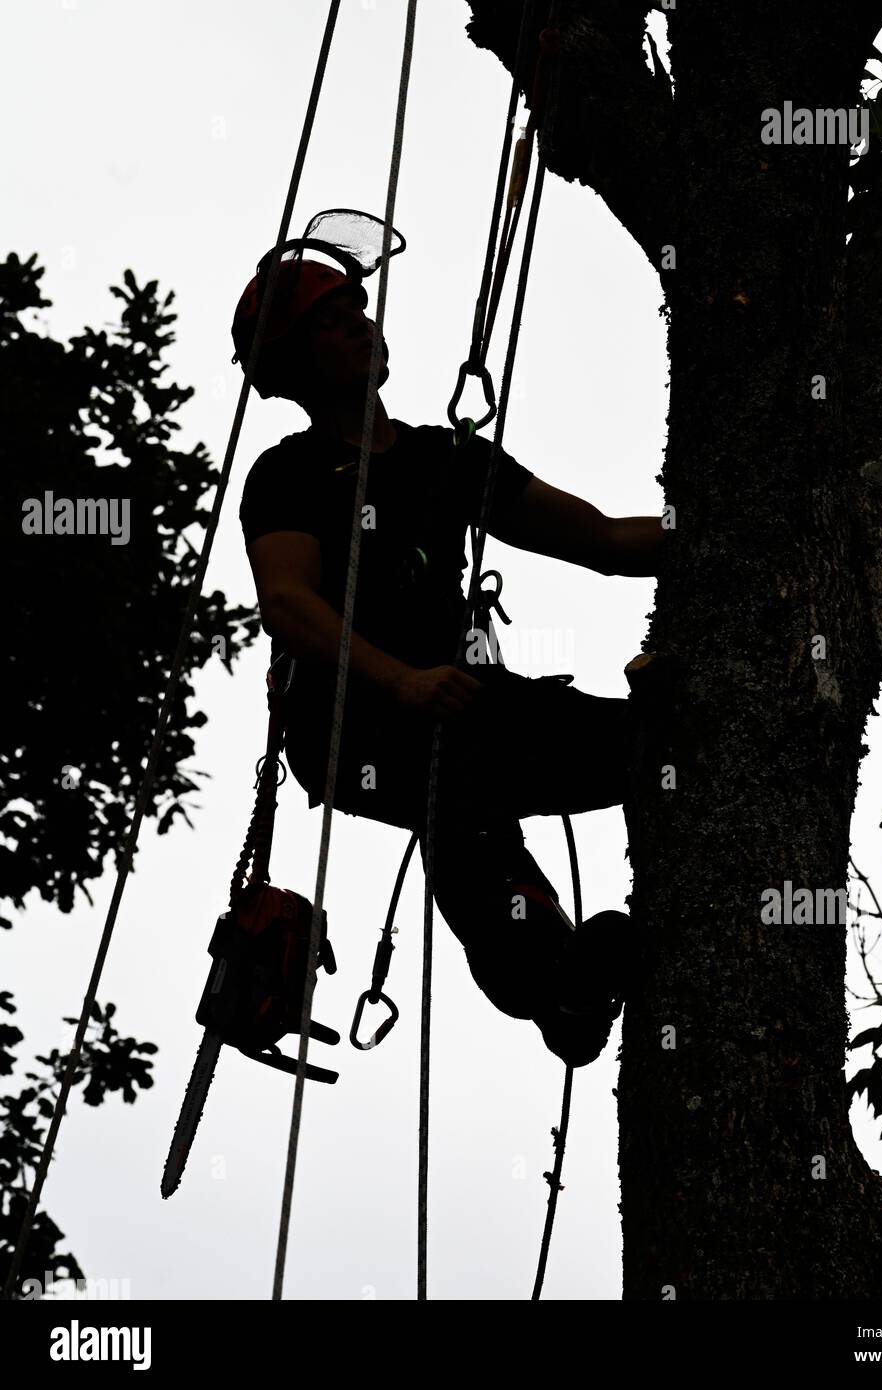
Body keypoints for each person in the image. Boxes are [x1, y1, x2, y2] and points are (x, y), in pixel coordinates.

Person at [234, 252, 662, 1066]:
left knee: (644, 742)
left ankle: (568, 987)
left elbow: (601, 540)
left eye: (358, 310)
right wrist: (402, 681)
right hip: (356, 725)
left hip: (462, 700)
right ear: (295, 358)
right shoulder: (288, 474)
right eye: (333, 320)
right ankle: (550, 979)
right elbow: (288, 603)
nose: (361, 324)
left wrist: (710, 537)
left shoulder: (444, 462)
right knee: (459, 797)